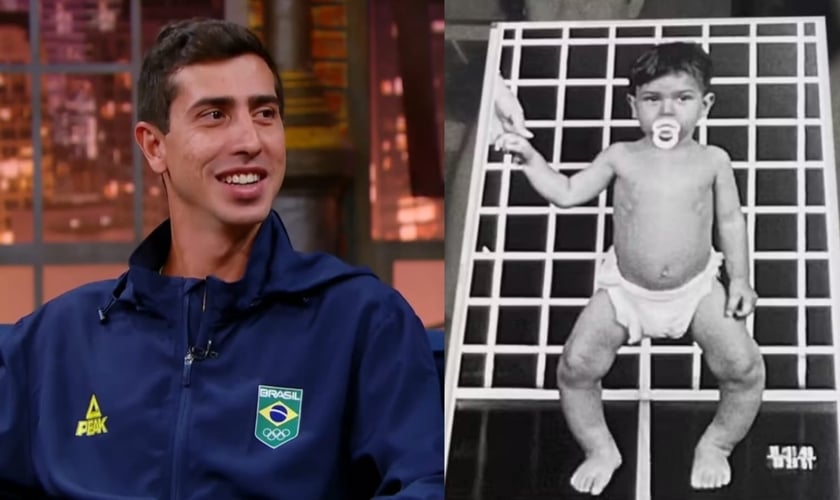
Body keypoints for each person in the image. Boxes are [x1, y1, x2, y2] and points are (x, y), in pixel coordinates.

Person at [0, 19, 444, 499]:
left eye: (265, 113)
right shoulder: (60, 339)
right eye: (215, 115)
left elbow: (426, 482)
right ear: (154, 146)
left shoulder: (361, 320)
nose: (250, 140)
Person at [494, 42, 765, 495]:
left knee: (745, 368)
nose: (666, 111)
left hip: (695, 290)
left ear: (706, 104)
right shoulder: (620, 155)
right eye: (652, 99)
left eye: (683, 98)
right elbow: (565, 192)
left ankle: (717, 443)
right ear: (632, 104)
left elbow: (730, 221)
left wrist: (739, 278)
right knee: (575, 367)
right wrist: (530, 159)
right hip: (625, 291)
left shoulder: (713, 160)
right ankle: (600, 447)